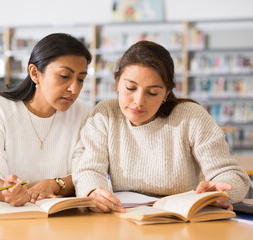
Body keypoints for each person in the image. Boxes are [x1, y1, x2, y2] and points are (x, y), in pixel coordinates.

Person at [73, 40, 250, 213]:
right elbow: (89, 168)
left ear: (167, 92)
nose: (139, 101)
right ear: (117, 82)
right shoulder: (105, 114)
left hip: (180, 221)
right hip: (125, 219)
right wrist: (93, 191)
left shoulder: (190, 117)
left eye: (153, 92)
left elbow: (232, 175)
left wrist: (222, 191)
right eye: (130, 88)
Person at [0, 33, 92, 206]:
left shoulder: (79, 110)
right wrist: (3, 192)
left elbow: (84, 172)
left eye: (81, 79)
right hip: (8, 214)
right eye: (64, 76)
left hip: (60, 217)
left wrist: (54, 185)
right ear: (35, 73)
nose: (74, 88)